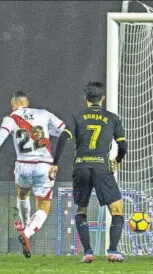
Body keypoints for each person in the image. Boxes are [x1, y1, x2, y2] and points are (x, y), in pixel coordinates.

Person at [0, 91, 66, 258]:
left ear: (13, 104)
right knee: (44, 206)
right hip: (44, 165)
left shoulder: (11, 117)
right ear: (27, 103)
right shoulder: (43, 113)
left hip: (22, 165)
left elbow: (1, 135)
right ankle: (27, 233)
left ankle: (25, 223)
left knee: (22, 194)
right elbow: (63, 132)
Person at [49, 81, 127, 263]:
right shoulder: (112, 118)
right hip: (101, 166)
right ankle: (113, 250)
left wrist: (55, 163)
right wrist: (118, 160)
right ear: (103, 98)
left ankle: (88, 252)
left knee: (81, 208)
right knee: (116, 210)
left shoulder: (77, 116)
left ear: (86, 99)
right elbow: (123, 145)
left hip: (81, 166)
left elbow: (63, 138)